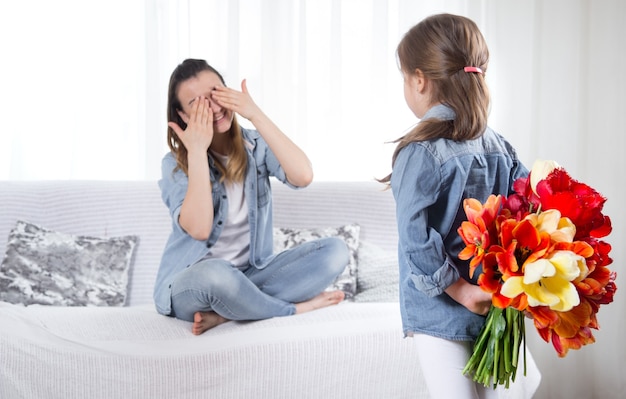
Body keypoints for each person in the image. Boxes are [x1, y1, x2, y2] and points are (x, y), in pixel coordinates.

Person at [379, 14, 531, 398]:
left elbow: (415, 239)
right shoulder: (499, 145)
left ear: (419, 80)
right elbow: (528, 212)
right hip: (494, 304)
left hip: (440, 312)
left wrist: (460, 290)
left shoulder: (419, 151)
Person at [154, 59, 348, 335]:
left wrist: (255, 113)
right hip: (195, 284)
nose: (214, 107)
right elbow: (199, 229)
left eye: (216, 93)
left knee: (334, 251)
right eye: (198, 104)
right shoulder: (174, 164)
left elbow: (302, 175)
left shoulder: (255, 146)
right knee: (216, 273)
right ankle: (291, 309)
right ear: (183, 116)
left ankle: (227, 314)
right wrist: (196, 151)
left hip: (250, 276)